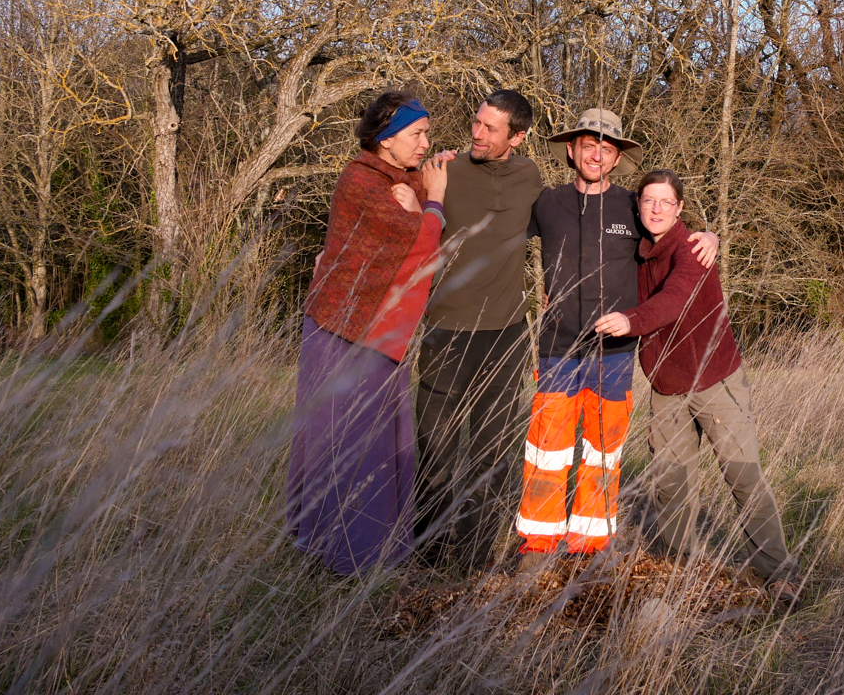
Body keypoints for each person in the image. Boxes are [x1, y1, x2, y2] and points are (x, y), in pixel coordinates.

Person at [514, 110, 718, 565]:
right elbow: (498, 232)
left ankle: (589, 546)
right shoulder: (547, 202)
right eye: (588, 145)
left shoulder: (633, 206)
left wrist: (710, 235)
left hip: (616, 353)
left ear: (617, 158)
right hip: (558, 348)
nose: (596, 155)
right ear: (571, 150)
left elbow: (674, 236)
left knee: (602, 453)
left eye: (606, 149)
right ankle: (537, 546)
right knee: (547, 449)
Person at [594, 169, 800, 603]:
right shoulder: (637, 249)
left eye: (666, 202)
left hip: (714, 381)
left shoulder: (693, 250)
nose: (656, 209)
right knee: (671, 482)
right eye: (648, 200)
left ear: (680, 208)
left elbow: (673, 300)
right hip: (666, 386)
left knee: (742, 476)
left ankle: (778, 573)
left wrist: (630, 321)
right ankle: (677, 568)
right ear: (637, 204)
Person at [287, 91, 449, 576]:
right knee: (344, 439)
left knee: (380, 440)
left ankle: (376, 550)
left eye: (426, 134)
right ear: (386, 139)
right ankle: (342, 555)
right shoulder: (359, 180)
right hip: (340, 332)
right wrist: (433, 202)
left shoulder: (401, 180)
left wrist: (423, 196)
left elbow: (420, 222)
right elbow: (418, 243)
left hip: (377, 335)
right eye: (417, 134)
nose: (425, 143)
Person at [414, 90, 544, 571]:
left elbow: (580, 215)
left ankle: (471, 561)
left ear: (518, 137)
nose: (477, 133)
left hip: (506, 335)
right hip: (446, 331)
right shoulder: (444, 172)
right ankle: (426, 556)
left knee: (492, 452)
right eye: (476, 122)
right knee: (436, 449)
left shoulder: (530, 176)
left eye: (490, 128)